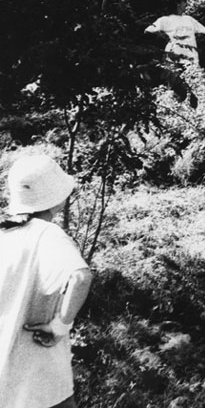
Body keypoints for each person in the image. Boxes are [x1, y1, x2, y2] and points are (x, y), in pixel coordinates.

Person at [0, 153, 93, 408]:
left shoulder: (4, 234)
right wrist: (60, 325)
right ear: (57, 199)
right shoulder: (47, 235)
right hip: (41, 382)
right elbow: (80, 277)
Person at [144, 0, 205, 106]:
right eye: (183, 2)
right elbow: (147, 31)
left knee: (193, 87)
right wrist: (164, 38)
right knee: (177, 87)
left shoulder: (188, 19)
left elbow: (204, 31)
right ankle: (178, 111)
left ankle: (193, 113)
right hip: (174, 57)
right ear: (178, 4)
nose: (186, 5)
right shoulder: (165, 20)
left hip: (190, 57)